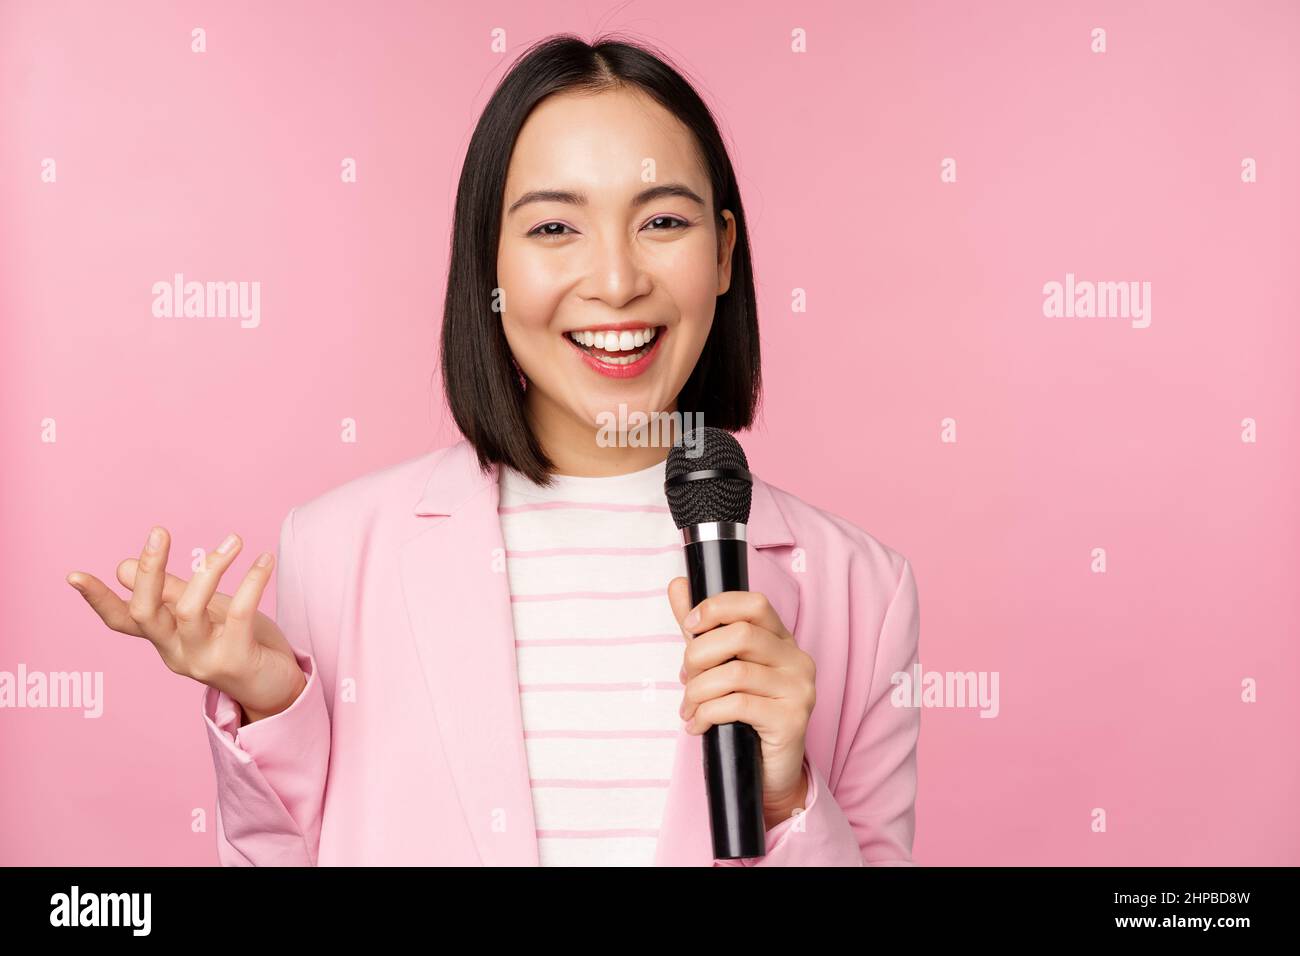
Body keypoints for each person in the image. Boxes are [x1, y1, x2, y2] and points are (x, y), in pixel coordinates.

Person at [65, 33, 920, 867]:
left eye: (662, 221)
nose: (617, 281)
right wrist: (271, 705)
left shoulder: (863, 592)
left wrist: (785, 798)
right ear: (489, 266)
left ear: (725, 254)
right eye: (555, 229)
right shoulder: (336, 550)